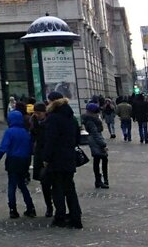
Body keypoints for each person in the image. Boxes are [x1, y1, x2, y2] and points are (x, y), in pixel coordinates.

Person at [41, 91, 82, 229]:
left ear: (52, 102)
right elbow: (77, 136)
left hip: (57, 158)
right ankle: (76, 217)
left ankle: (60, 217)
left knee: (57, 188)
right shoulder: (71, 116)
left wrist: (46, 157)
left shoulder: (53, 118)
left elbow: (50, 139)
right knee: (70, 187)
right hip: (69, 157)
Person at [0, 109, 37, 218]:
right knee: (22, 185)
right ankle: (30, 207)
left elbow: (2, 149)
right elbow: (31, 149)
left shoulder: (9, 132)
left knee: (12, 185)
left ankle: (13, 209)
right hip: (25, 160)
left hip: (13, 160)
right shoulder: (25, 132)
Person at [29, 101, 54, 218]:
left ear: (45, 112)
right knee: (44, 182)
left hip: (50, 155)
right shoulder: (34, 122)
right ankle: (49, 206)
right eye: (35, 113)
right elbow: (32, 138)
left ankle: (55, 204)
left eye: (39, 113)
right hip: (40, 155)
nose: (37, 115)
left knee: (54, 182)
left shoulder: (50, 122)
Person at [83, 102, 109, 188]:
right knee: (102, 159)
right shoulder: (91, 120)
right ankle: (102, 180)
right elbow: (95, 133)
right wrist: (103, 145)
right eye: (96, 112)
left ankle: (100, 180)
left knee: (97, 160)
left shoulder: (91, 119)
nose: (98, 113)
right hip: (96, 141)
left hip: (94, 140)